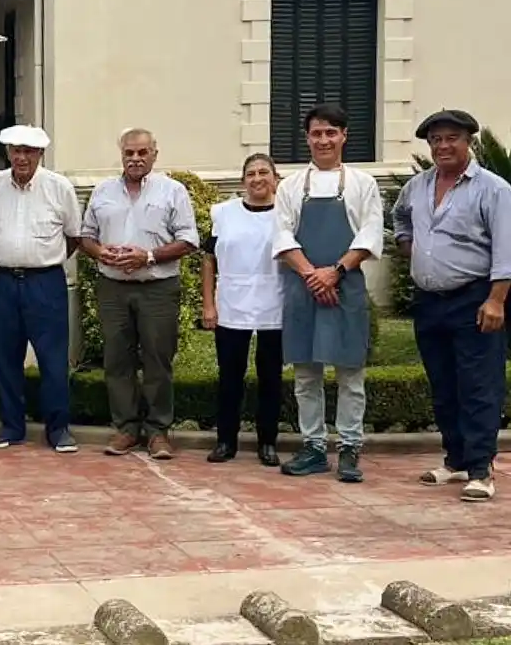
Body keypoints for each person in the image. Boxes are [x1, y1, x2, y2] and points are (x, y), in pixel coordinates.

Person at [394, 109, 510, 502]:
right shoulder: (418, 186)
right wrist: (413, 252)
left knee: (478, 385)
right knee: (442, 385)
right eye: (435, 140)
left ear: (469, 142)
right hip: (429, 301)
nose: (443, 146)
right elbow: (400, 220)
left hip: (474, 299)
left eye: (451, 138)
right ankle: (456, 459)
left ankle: (481, 468)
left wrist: (496, 300)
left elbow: (506, 250)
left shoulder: (493, 189)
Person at [274, 103, 383, 483]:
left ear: (344, 136)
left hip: (347, 286)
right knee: (306, 374)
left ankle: (350, 448)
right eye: (316, 133)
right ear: (307, 138)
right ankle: (314, 446)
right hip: (302, 288)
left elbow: (370, 235)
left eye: (331, 132)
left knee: (351, 373)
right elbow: (282, 236)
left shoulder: (362, 184)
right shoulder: (288, 186)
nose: (323, 140)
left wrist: (334, 273)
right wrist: (312, 276)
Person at [81, 128, 199, 460]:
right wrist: (100, 252)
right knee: (117, 360)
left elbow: (189, 240)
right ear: (121, 155)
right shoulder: (103, 191)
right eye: (129, 153)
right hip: (113, 287)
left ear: (154, 155)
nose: (135, 159)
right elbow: (86, 235)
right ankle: (126, 429)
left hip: (157, 288)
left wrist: (147, 256)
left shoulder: (173, 191)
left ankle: (158, 432)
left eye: (142, 153)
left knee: (157, 360)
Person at [0, 125, 82, 452]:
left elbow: (73, 237)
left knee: (53, 358)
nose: (21, 157)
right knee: (4, 357)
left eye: (29, 151)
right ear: (7, 153)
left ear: (40, 154)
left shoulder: (59, 187)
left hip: (45, 282)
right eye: (15, 150)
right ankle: (11, 426)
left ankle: (58, 429)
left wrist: (43, 260)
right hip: (2, 282)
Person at [202, 154, 284, 467]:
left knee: (270, 378)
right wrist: (209, 303)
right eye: (251, 173)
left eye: (264, 172)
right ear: (242, 181)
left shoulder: (287, 213)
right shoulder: (223, 213)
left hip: (274, 304)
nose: (258, 178)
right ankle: (225, 441)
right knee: (230, 377)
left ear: (275, 178)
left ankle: (267, 442)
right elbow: (208, 260)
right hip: (232, 305)